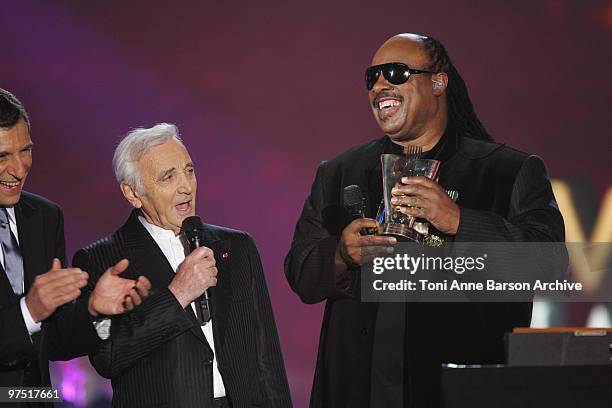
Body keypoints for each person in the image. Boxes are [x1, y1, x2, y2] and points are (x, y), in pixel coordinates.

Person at [284, 33, 565, 408]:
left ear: (438, 82)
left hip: (462, 393)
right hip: (358, 392)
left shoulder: (507, 170)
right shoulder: (339, 171)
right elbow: (300, 270)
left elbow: (547, 266)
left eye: (397, 73)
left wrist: (459, 221)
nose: (381, 85)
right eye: (373, 77)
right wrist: (341, 254)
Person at [66, 123, 292, 408]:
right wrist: (177, 295)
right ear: (132, 193)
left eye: (189, 171)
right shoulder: (104, 259)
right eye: (167, 177)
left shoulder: (237, 247)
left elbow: (265, 355)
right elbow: (108, 358)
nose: (186, 186)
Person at [0, 89, 149, 402]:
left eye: (25, 150)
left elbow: (53, 342)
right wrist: (29, 311)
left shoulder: (44, 217)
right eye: (2, 156)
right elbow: (30, 319)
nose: (19, 168)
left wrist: (94, 310)